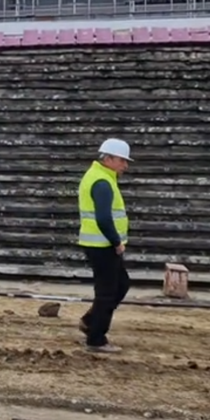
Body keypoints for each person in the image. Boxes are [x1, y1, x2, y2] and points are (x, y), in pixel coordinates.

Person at [77, 138, 132, 354]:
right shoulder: (102, 182)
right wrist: (116, 241)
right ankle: (96, 339)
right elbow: (103, 218)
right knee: (107, 292)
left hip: (100, 245)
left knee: (121, 285)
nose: (125, 166)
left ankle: (91, 321)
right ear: (107, 158)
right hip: (102, 246)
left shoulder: (101, 177)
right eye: (122, 160)